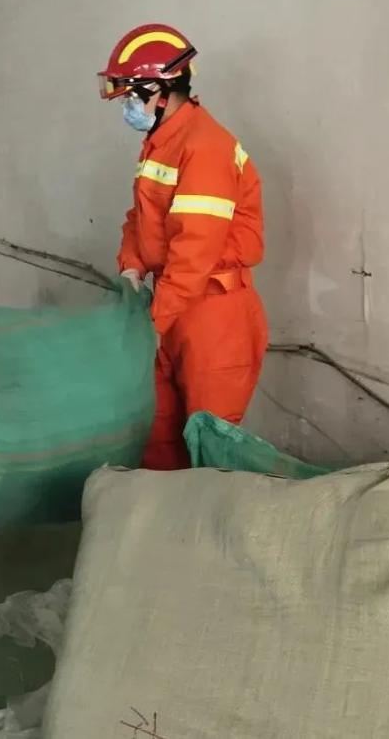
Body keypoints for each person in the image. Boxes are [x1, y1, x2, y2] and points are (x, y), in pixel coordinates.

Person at [98, 24, 268, 470]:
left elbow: (197, 250)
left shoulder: (204, 146)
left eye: (130, 97)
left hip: (213, 314)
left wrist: (155, 320)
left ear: (158, 91)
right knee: (159, 434)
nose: (127, 108)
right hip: (174, 304)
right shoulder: (162, 143)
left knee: (210, 447)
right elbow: (141, 217)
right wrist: (131, 266)